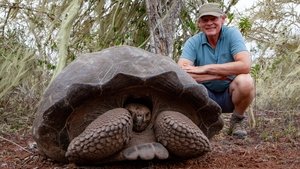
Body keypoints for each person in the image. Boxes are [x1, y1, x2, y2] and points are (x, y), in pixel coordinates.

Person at [178, 3, 255, 139]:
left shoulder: (232, 34)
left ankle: (237, 120)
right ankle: (201, 123)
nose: (209, 23)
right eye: (205, 20)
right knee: (184, 88)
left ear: (222, 19)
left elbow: (245, 65)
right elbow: (181, 73)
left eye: (213, 19)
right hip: (205, 96)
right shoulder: (193, 42)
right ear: (199, 23)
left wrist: (204, 68)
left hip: (230, 94)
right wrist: (217, 76)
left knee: (246, 81)